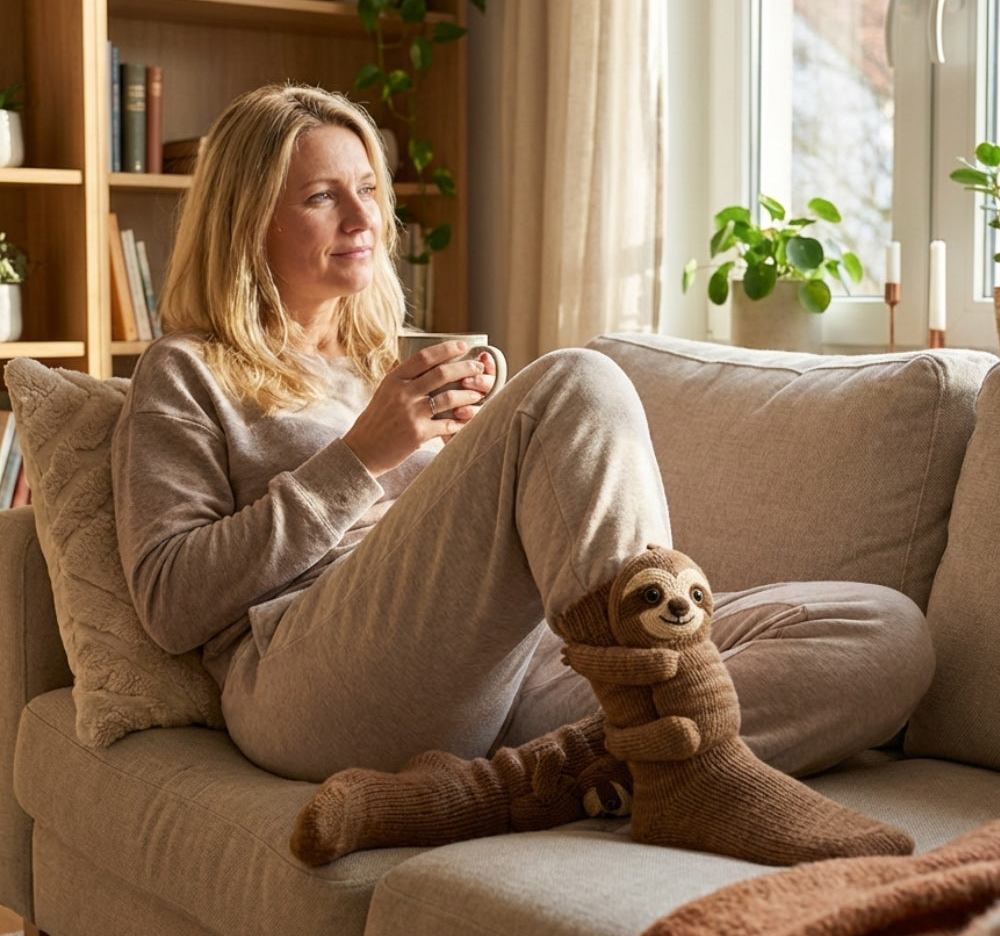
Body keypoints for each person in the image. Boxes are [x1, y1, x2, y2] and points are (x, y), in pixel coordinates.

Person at [111, 84, 932, 858]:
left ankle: (508, 787)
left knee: (882, 631)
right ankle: (695, 771)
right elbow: (170, 601)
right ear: (246, 220)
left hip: (499, 673)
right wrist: (366, 456)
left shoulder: (385, 359)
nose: (364, 216)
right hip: (302, 677)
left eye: (369, 187)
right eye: (323, 196)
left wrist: (470, 462)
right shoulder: (186, 370)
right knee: (575, 379)